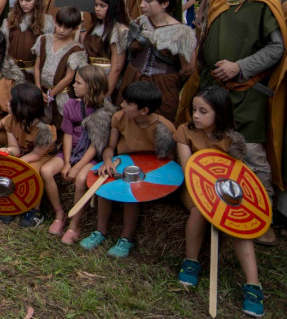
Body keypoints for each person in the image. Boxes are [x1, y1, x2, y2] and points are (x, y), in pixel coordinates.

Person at [190, 0, 287, 246]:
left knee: (254, 156)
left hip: (247, 92)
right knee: (210, 148)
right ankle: (212, 207)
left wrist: (240, 67)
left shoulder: (264, 0)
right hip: (212, 90)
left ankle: (262, 220)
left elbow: (277, 47)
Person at [174, 86, 262, 317]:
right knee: (199, 212)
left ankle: (253, 285)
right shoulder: (185, 131)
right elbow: (188, 169)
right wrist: (207, 199)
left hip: (224, 191)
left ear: (219, 113)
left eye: (203, 111)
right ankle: (191, 260)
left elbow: (237, 176)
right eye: (194, 109)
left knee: (239, 222)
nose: (195, 115)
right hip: (194, 187)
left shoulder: (232, 140)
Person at [79, 81, 175, 258]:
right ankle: (100, 231)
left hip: (148, 172)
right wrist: (107, 161)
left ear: (144, 110)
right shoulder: (120, 117)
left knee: (131, 195)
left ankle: (126, 239)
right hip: (122, 164)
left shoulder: (165, 129)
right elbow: (110, 147)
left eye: (128, 103)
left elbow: (169, 164)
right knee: (105, 188)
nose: (122, 105)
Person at [41, 66, 114, 241]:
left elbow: (96, 145)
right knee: (46, 171)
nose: (74, 85)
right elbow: (67, 134)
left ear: (92, 87)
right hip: (71, 152)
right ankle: (60, 213)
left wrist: (77, 167)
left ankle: (75, 225)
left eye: (78, 83)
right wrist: (67, 163)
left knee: (81, 179)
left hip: (90, 156)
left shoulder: (104, 113)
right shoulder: (71, 105)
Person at [117, 0, 195, 121]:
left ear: (165, 4)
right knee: (125, 122)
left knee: (158, 129)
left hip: (162, 88)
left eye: (148, 1)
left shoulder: (182, 33)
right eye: (143, 0)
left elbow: (188, 69)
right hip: (133, 79)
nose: (142, 5)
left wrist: (168, 80)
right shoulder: (140, 22)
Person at [0, 83, 56, 227]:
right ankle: (10, 204)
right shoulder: (10, 120)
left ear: (22, 106)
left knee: (31, 171)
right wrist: (8, 151)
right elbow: (15, 147)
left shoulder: (46, 129)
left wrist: (18, 163)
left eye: (11, 101)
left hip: (43, 157)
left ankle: (35, 211)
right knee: (4, 163)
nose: (7, 104)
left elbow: (36, 155)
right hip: (24, 155)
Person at [34, 6, 87, 127]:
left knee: (60, 124)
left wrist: (51, 94)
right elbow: (37, 67)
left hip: (61, 94)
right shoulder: (43, 40)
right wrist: (37, 88)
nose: (61, 30)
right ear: (55, 21)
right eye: (59, 25)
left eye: (67, 27)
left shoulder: (76, 49)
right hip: (40, 89)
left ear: (75, 28)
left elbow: (69, 77)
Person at [82, 0, 129, 99]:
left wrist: (105, 94)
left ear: (113, 7)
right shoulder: (96, 26)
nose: (97, 9)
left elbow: (116, 67)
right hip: (90, 77)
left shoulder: (119, 30)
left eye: (102, 6)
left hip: (105, 79)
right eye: (96, 5)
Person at [0, 0, 53, 79]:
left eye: (28, 0)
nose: (23, 3)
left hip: (32, 73)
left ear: (37, 0)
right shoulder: (11, 19)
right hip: (11, 71)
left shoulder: (46, 23)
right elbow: (4, 45)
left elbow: (47, 52)